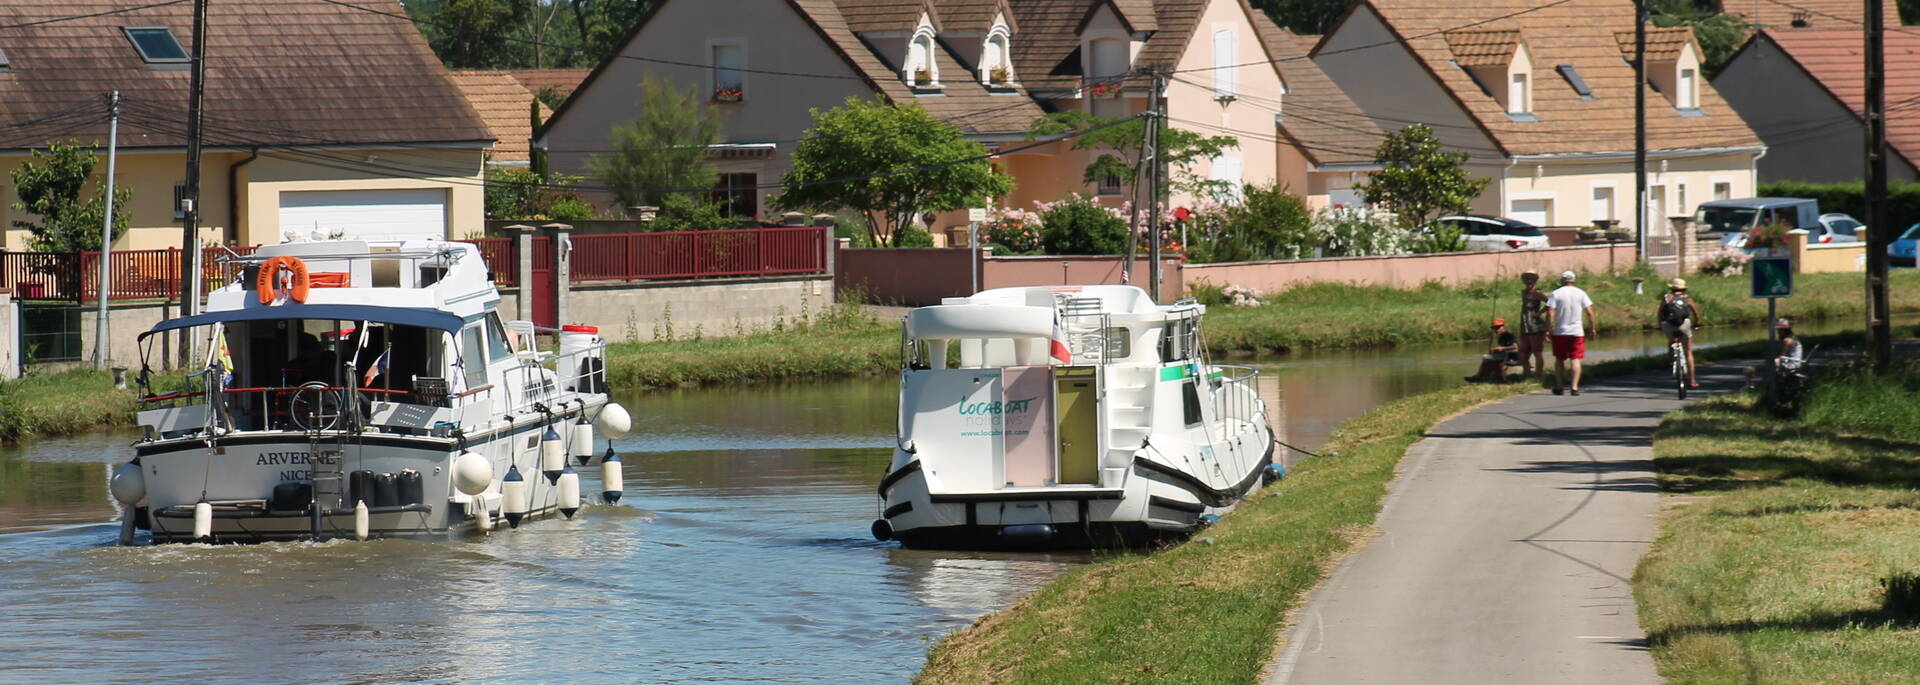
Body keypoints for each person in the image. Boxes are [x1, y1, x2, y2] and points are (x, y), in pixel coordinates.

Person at [1547, 270, 1596, 396]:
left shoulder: (1556, 293)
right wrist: (1592, 328)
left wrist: (1548, 329)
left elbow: (1550, 312)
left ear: (1562, 280)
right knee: (1575, 359)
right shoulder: (1581, 293)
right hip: (1577, 332)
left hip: (1560, 332)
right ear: (1574, 280)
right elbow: (1590, 313)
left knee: (1559, 359)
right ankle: (1574, 388)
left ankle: (1559, 387)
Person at [1657, 278, 1703, 389]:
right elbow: (1696, 314)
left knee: (1671, 339)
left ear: (1671, 288)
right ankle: (1692, 381)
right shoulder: (1687, 299)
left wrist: (1660, 325)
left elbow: (1660, 313)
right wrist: (1697, 323)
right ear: (1683, 289)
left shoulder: (1666, 298)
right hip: (1684, 325)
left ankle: (1669, 359)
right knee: (1688, 352)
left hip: (1668, 325)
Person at [1517, 270, 1549, 377]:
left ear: (1535, 280)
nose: (1528, 280)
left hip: (1535, 326)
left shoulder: (1537, 292)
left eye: (1531, 278)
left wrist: (1540, 312)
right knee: (1522, 354)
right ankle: (1527, 374)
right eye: (1526, 278)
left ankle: (1538, 375)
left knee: (1537, 352)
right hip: (1525, 326)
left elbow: (1550, 303)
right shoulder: (1524, 292)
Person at [1467, 318, 1520, 383]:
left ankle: (1479, 377)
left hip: (1512, 356)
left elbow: (1515, 346)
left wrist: (1502, 348)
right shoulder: (1501, 337)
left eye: (1498, 327)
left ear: (1503, 327)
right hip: (1505, 355)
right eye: (1494, 328)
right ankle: (1482, 377)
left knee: (1486, 357)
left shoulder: (1509, 335)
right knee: (1488, 359)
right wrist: (1495, 350)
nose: (1496, 330)